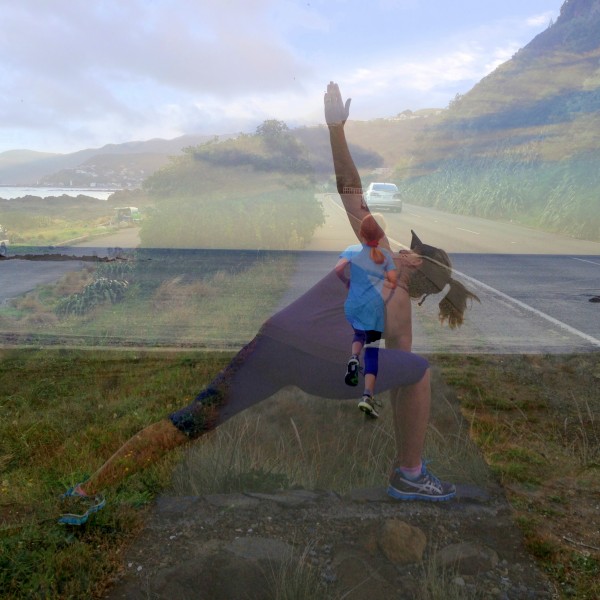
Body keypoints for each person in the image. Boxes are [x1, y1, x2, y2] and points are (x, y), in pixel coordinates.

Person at [59, 82, 479, 525]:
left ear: (417, 261)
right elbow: (397, 376)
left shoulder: (377, 255)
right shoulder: (396, 298)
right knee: (418, 373)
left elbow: (349, 191)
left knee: (191, 420)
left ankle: (85, 491)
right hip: (322, 367)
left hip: (273, 342)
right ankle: (409, 475)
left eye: (414, 249)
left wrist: (336, 129)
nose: (406, 249)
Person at [335, 213, 397, 417]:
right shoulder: (386, 256)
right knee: (372, 351)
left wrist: (346, 280)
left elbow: (338, 268)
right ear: (381, 234)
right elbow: (393, 281)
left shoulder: (352, 250)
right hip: (374, 310)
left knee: (358, 334)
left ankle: (353, 357)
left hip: (352, 306)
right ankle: (367, 396)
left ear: (361, 232)